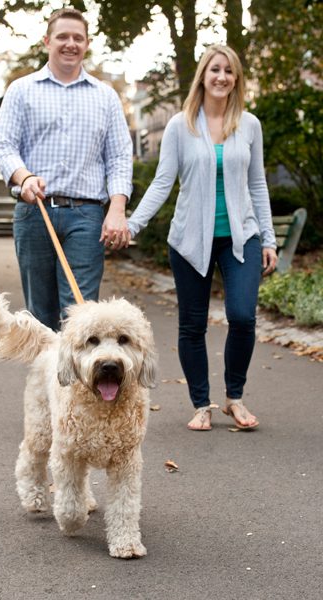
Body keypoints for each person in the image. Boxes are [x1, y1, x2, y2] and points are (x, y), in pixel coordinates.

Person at [127, 45, 277, 431]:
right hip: (191, 240)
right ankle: (201, 404)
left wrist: (270, 239)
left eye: (229, 71)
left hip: (241, 238)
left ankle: (234, 398)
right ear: (203, 76)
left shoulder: (249, 125)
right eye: (215, 70)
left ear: (236, 78)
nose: (222, 77)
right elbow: (163, 182)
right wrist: (133, 225)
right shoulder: (182, 124)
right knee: (192, 325)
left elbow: (257, 184)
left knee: (242, 317)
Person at [0, 8, 132, 330]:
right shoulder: (21, 90)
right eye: (63, 37)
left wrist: (117, 209)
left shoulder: (106, 97)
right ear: (47, 41)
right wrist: (23, 177)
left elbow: (121, 157)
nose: (71, 44)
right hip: (34, 212)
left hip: (87, 217)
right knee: (40, 319)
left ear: (87, 43)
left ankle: (77, 383)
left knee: (81, 318)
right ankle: (45, 382)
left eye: (78, 38)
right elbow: (3, 145)